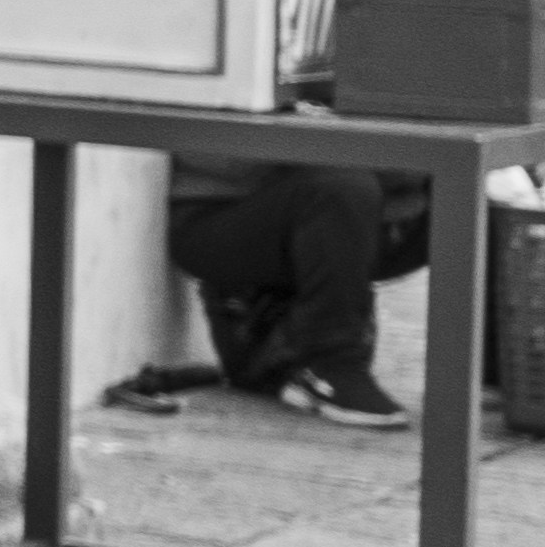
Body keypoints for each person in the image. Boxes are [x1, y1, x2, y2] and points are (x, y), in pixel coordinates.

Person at [133, 158, 415, 425]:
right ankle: (330, 365)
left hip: (320, 203)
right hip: (215, 213)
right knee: (342, 187)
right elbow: (226, 161)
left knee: (437, 187)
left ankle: (443, 378)